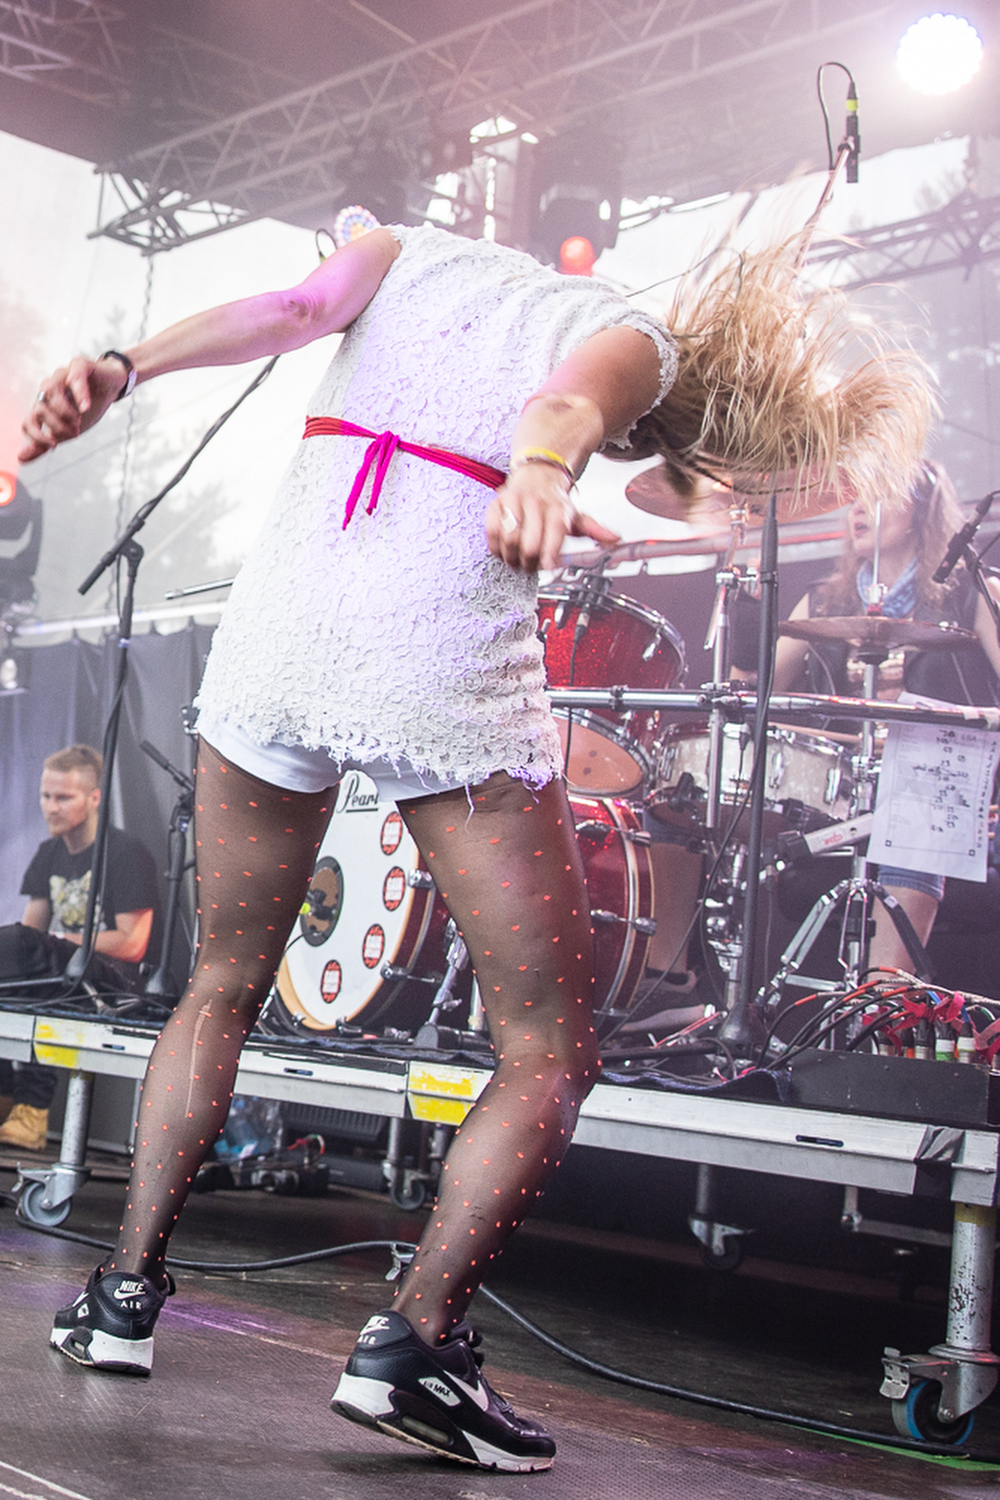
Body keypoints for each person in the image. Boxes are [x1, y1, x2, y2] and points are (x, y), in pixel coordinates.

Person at [19, 223, 930, 1472]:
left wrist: (125, 366)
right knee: (548, 1046)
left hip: (281, 629)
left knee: (220, 983)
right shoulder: (636, 339)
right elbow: (564, 406)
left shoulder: (399, 246)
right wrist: (544, 468)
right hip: (432, 652)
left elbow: (289, 311)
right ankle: (415, 1343)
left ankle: (121, 1299)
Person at [763, 460, 1000, 972]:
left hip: (948, 792)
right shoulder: (824, 600)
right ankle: (677, 977)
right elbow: (760, 698)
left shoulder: (972, 592)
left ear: (920, 509)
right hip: (844, 796)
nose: (858, 509)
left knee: (918, 792)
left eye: (877, 495)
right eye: (854, 498)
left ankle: (883, 991)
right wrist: (745, 625)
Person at [0, 744, 158, 1150]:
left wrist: (50, 943)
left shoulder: (125, 853)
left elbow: (132, 943)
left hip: (117, 984)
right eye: (45, 796)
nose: (51, 807)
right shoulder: (48, 853)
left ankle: (32, 1112)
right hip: (64, 971)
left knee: (31, 965)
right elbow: (28, 935)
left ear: (94, 798)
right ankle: (7, 1102)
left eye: (63, 797)